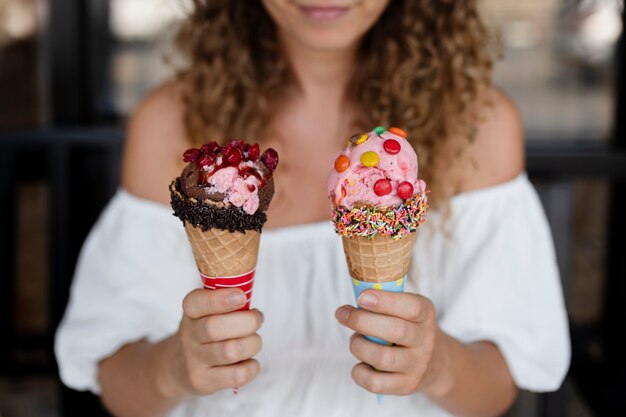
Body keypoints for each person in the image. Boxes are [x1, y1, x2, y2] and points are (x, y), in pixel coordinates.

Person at [55, 1, 570, 417]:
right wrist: (172, 367)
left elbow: (497, 391)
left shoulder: (479, 126)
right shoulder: (169, 124)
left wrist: (437, 366)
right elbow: (119, 387)